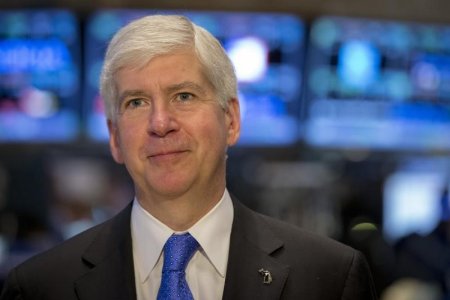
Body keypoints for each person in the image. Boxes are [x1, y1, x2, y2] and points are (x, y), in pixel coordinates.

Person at [0, 15, 377, 300]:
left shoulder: (330, 277)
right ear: (115, 138)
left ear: (230, 120)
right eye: (136, 102)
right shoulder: (38, 287)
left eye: (184, 96)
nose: (160, 123)